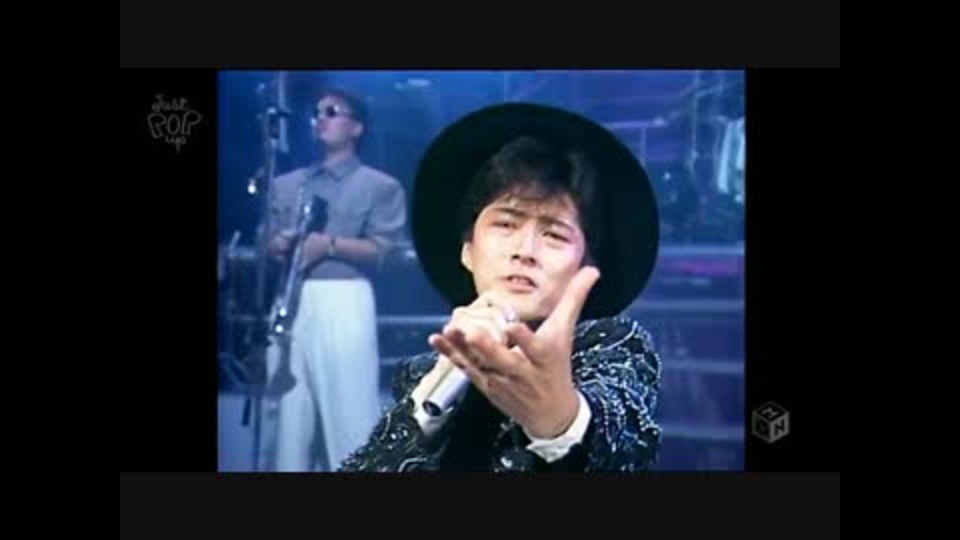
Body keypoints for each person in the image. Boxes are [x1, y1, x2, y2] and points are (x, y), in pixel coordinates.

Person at [338, 102, 663, 472]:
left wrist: (559, 420)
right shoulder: (421, 374)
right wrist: (433, 400)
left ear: (584, 267)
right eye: (506, 225)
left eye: (555, 235)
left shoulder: (616, 347)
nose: (525, 251)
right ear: (467, 251)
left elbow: (623, 439)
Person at [261, 88, 407, 472]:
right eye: (317, 112)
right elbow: (267, 243)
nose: (320, 119)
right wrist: (278, 245)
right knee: (287, 417)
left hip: (344, 298)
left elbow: (385, 250)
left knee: (349, 412)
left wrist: (327, 246)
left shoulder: (379, 185)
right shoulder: (288, 184)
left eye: (332, 112)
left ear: (356, 127)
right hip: (290, 297)